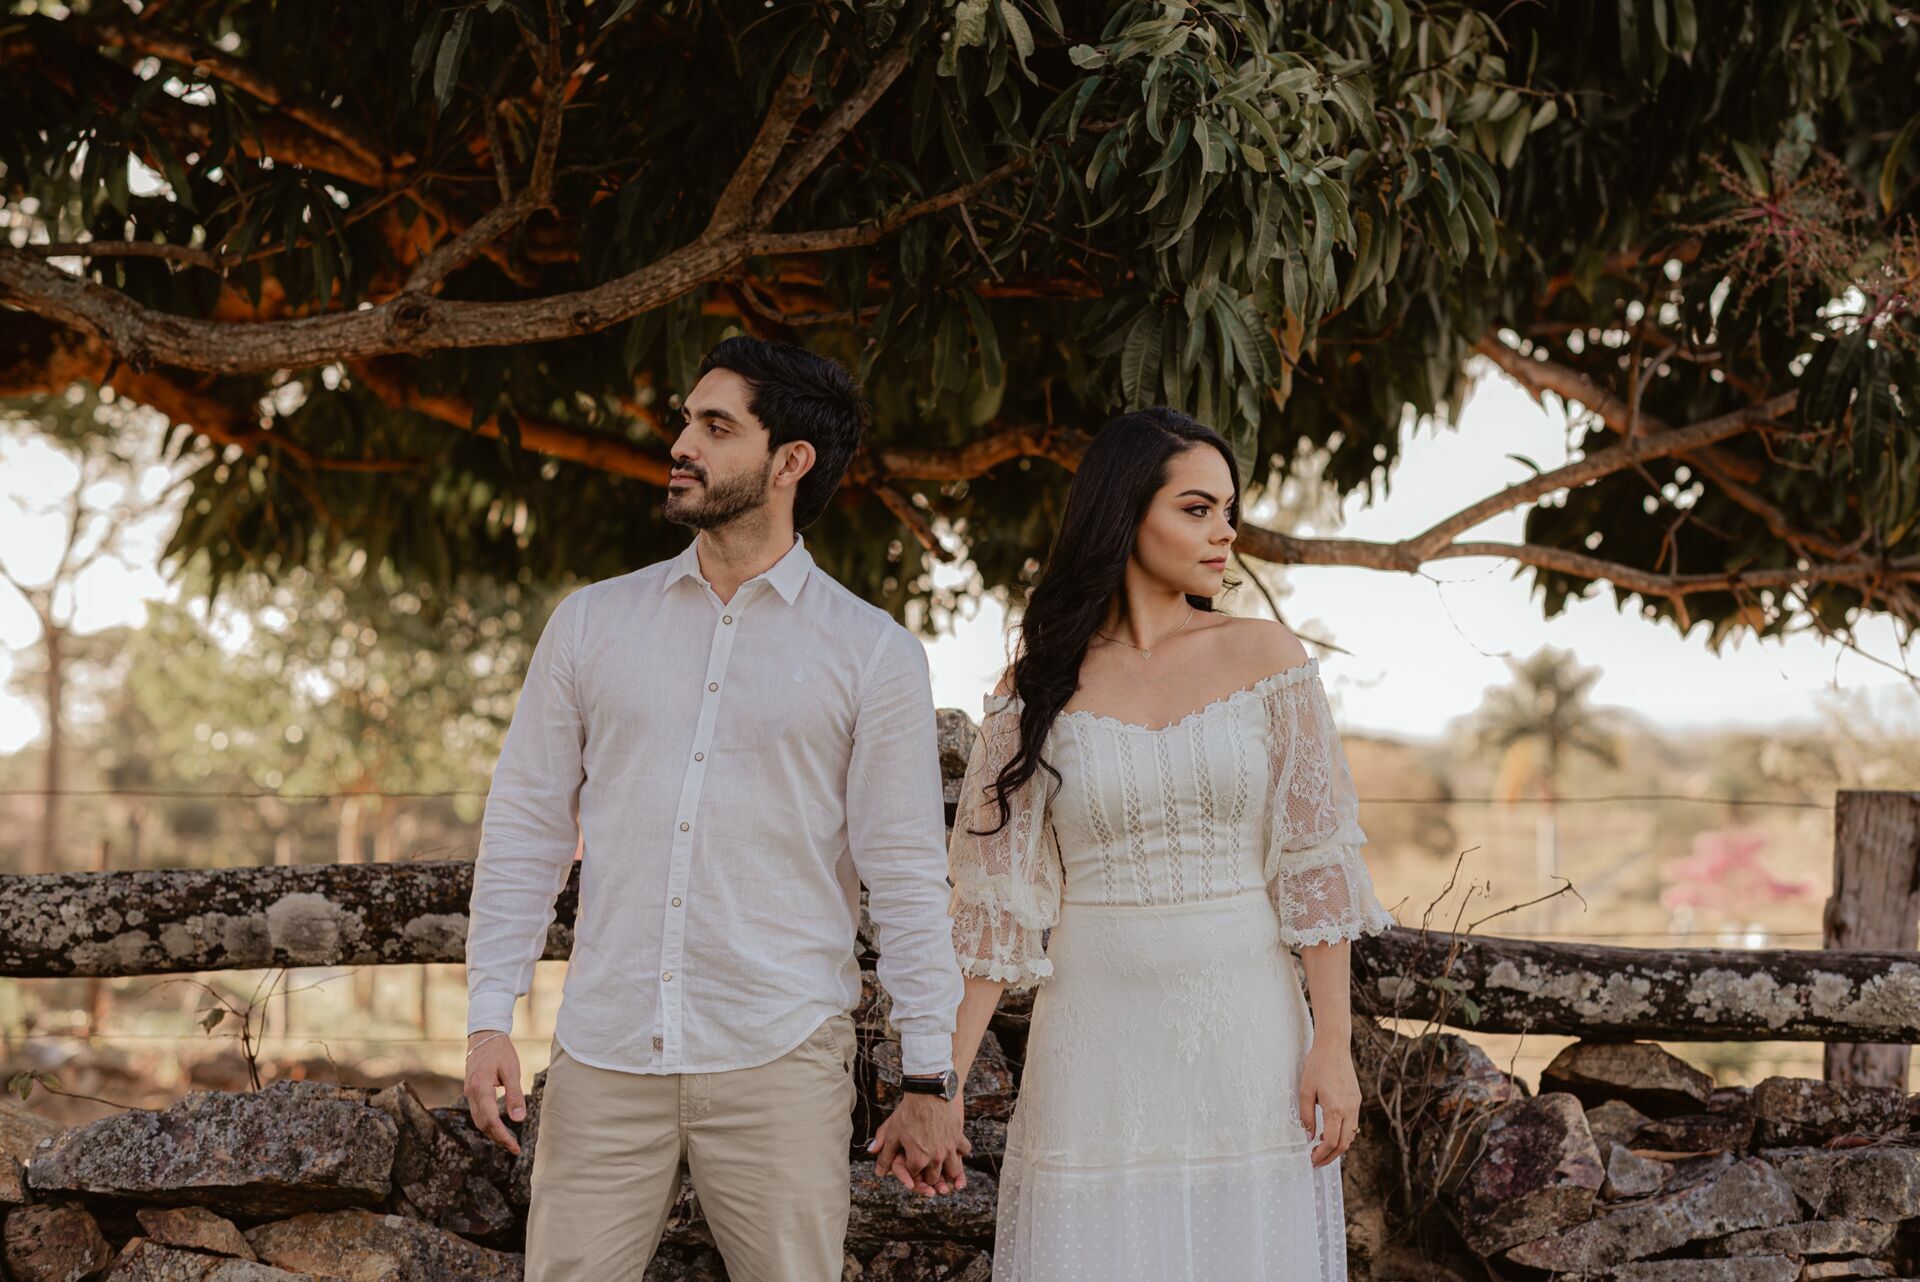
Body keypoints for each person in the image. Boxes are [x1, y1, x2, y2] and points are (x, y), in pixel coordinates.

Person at [461, 336, 967, 1282]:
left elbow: (904, 872)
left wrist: (929, 1074)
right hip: (605, 1053)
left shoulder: (873, 653)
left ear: (790, 462)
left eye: (715, 425)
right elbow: (527, 824)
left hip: (778, 1053)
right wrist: (491, 1016)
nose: (682, 441)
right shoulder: (592, 623)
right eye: (688, 419)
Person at [941, 408, 1397, 1281]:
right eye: (1197, 508)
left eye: (1230, 509)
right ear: (1124, 512)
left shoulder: (1266, 657)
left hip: (1249, 1036)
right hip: (1096, 1041)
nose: (1225, 532)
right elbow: (1000, 901)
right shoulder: (1037, 683)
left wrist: (1331, 1044)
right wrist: (946, 1082)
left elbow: (1316, 862)